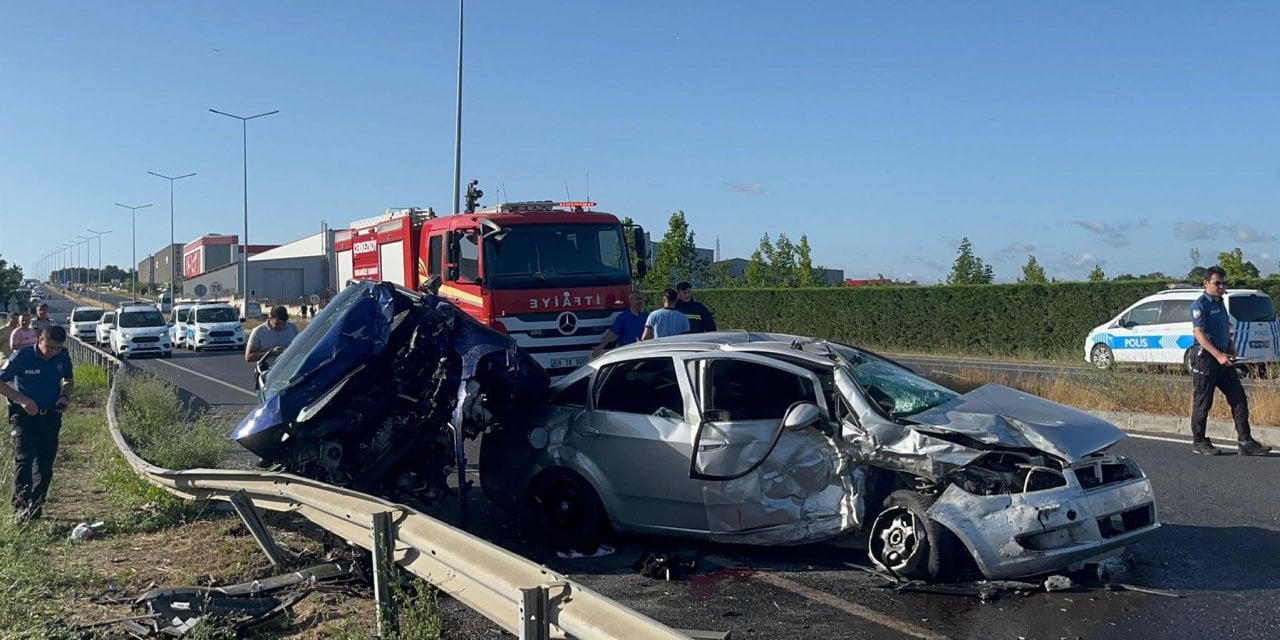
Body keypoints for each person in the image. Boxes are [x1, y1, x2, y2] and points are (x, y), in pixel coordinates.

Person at [1188, 266, 1271, 456]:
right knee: (1203, 401)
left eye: (1223, 283)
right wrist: (1218, 354)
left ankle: (1245, 441)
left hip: (1223, 355)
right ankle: (1199, 441)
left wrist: (1229, 344)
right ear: (1206, 283)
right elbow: (1199, 335)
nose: (1221, 287)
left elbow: (1224, 326)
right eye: (1217, 283)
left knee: (1238, 397)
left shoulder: (1220, 303)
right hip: (1206, 359)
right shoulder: (1199, 306)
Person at [0, 326, 75, 520]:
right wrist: (22, 400)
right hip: (23, 415)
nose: (53, 352)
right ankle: (20, 508)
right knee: (24, 460)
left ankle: (36, 506)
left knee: (45, 462)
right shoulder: (22, 357)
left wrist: (65, 397)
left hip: (50, 415)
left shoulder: (62, 357)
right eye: (50, 347)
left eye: (58, 348)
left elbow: (68, 380)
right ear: (39, 340)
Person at [591, 291, 648, 359]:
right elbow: (612, 333)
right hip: (627, 351)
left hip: (642, 351)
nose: (639, 301)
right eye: (637, 299)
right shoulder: (623, 317)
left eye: (640, 299)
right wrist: (600, 348)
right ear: (630, 300)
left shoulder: (645, 316)